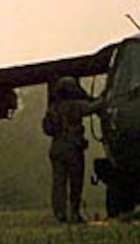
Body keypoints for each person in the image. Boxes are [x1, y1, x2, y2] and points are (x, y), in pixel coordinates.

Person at [43, 76, 103, 223]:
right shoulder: (75, 105)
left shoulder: (53, 108)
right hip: (73, 149)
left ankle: (60, 214)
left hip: (56, 148)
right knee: (75, 183)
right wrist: (104, 98)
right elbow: (92, 108)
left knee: (58, 184)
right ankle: (74, 214)